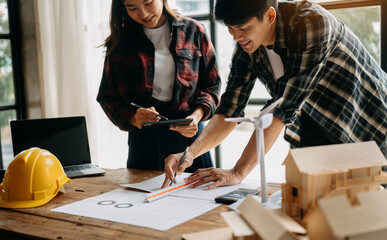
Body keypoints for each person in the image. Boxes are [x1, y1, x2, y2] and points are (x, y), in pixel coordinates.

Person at [162, 0, 387, 189]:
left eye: (243, 28)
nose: (236, 37)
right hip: (314, 124)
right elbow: (230, 108)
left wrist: (238, 172)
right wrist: (190, 153)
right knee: (317, 210)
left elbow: (282, 108)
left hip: (370, 122)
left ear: (270, 15)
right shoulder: (247, 45)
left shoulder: (311, 23)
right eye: (230, 29)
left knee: (374, 209)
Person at [97, 0, 221, 171]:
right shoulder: (121, 42)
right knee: (143, 195)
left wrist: (196, 117)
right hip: (143, 140)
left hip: (189, 135)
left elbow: (212, 87)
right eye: (132, 8)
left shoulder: (194, 31)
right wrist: (133, 118)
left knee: (198, 194)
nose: (143, 14)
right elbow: (107, 97)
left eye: (148, 3)